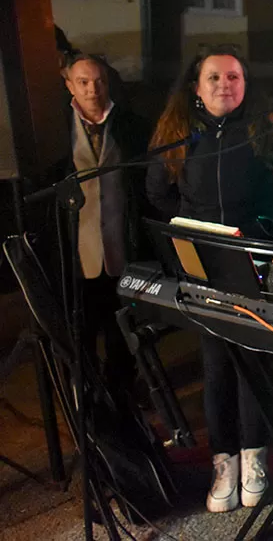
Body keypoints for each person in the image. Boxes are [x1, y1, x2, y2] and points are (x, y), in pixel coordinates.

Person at [146, 46, 273, 513]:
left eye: (234, 76)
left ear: (246, 82)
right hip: (203, 263)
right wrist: (191, 226)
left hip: (252, 260)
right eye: (215, 77)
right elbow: (156, 190)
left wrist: (265, 228)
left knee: (252, 362)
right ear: (196, 87)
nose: (225, 85)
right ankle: (224, 462)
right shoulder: (178, 130)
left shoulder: (269, 124)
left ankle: (254, 457)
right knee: (215, 363)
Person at [64, 53, 147, 390]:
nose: (92, 89)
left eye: (98, 81)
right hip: (78, 253)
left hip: (122, 249)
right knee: (80, 334)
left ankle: (122, 394)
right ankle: (87, 398)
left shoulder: (133, 126)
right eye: (83, 82)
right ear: (69, 85)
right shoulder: (55, 129)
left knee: (122, 335)